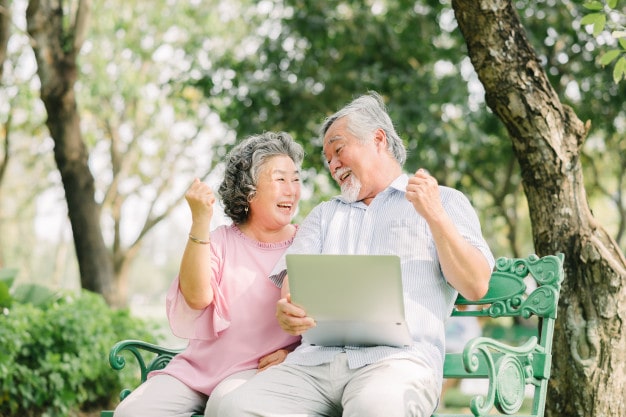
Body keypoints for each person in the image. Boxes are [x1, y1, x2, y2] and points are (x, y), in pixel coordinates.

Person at [217, 92, 495, 417]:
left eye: (338, 150)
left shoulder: (443, 201)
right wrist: (290, 309)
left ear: (378, 139)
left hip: (398, 362)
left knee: (374, 407)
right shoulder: (323, 215)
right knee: (236, 407)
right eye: (328, 158)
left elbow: (476, 286)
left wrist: (435, 216)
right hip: (314, 363)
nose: (333, 165)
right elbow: (294, 284)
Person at [113, 131, 304, 417]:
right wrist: (200, 221)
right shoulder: (219, 240)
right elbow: (197, 297)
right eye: (280, 179)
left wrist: (292, 355)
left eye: (296, 179)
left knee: (225, 408)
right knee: (130, 413)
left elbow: (321, 322)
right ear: (249, 189)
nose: (292, 190)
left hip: (256, 372)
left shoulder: (307, 242)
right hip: (196, 371)